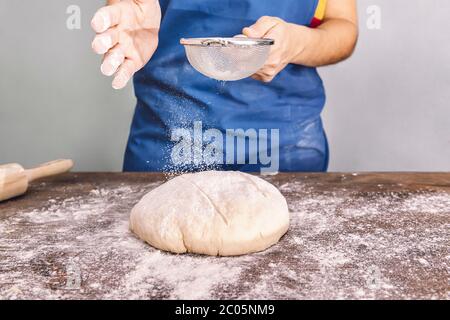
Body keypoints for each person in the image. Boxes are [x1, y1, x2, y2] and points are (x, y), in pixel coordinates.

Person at [91, 0, 358, 173]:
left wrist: (297, 43)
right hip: (171, 137)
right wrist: (127, 11)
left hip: (284, 143)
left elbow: (344, 27)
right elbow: (132, 6)